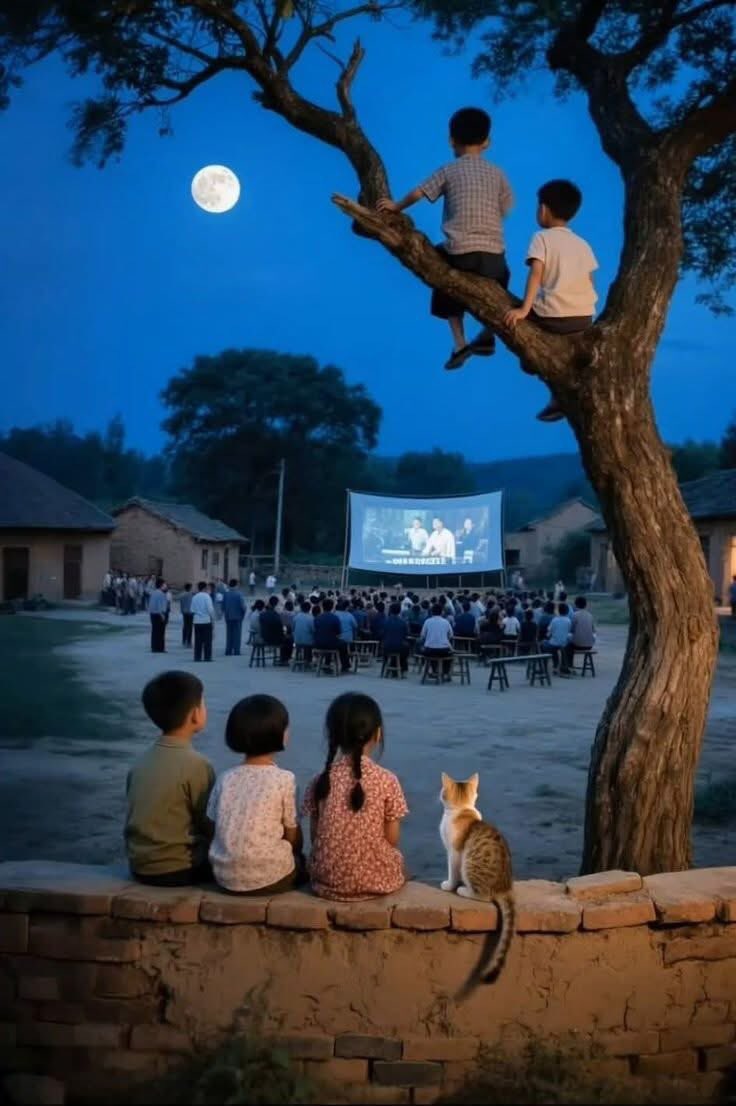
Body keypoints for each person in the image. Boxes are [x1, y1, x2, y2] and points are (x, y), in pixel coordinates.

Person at [376, 106, 512, 370]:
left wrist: (396, 207)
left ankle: (460, 342)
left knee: (440, 274)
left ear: (451, 140)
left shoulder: (449, 170)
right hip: (495, 257)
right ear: (487, 142)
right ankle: (488, 334)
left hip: (461, 253)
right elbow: (507, 206)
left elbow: (419, 192)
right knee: (502, 280)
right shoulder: (498, 174)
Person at [500, 179, 598, 422]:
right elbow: (591, 281)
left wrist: (524, 309)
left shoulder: (542, 238)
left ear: (543, 209)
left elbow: (536, 274)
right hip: (584, 318)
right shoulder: (583, 244)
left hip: (554, 317)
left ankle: (534, 368)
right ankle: (558, 398)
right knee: (564, 357)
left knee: (520, 334)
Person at [302, 693, 408, 901]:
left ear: (333, 736)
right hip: (377, 880)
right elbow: (392, 839)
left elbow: (315, 838)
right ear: (377, 734)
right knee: (401, 864)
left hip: (327, 881)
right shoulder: (387, 780)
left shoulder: (320, 781)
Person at [207, 695, 304, 895]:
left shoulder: (225, 778)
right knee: (302, 862)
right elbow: (292, 833)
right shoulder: (284, 779)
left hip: (224, 876)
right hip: (270, 878)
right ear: (279, 734)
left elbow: (211, 823)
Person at [125, 671, 214, 886]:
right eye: (203, 703)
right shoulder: (198, 765)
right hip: (179, 868)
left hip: (139, 865)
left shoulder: (140, 762)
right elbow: (207, 822)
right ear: (195, 714)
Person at [314, 598, 351, 673]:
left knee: (330, 641)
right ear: (332, 607)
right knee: (342, 644)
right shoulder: (335, 618)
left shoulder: (317, 618)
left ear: (322, 607)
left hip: (318, 643)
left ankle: (327, 664)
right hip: (330, 643)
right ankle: (345, 666)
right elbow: (338, 632)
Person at [420, 603, 454, 679]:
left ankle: (433, 671)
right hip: (443, 650)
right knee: (450, 656)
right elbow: (451, 635)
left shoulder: (427, 621)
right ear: (442, 612)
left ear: (432, 612)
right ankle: (445, 672)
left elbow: (422, 635)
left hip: (429, 650)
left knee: (430, 653)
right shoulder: (446, 622)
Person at [260, 596, 293, 665]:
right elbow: (280, 629)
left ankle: (283, 659)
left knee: (285, 638)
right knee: (289, 639)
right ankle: (284, 660)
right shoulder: (277, 616)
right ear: (276, 604)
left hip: (264, 637)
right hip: (274, 639)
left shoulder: (262, 615)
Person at [542, 601, 573, 675]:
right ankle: (563, 666)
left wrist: (547, 637)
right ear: (567, 611)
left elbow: (549, 632)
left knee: (546, 645)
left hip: (554, 643)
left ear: (558, 611)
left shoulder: (555, 620)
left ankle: (552, 666)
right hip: (564, 643)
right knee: (563, 647)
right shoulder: (568, 621)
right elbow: (569, 632)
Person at [382, 602, 410, 674]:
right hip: (399, 647)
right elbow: (406, 634)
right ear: (399, 611)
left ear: (390, 610)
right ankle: (402, 668)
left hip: (386, 646)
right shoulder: (403, 622)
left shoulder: (386, 621)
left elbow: (382, 633)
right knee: (406, 648)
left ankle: (392, 665)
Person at [191, 581, 215, 662]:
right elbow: (210, 610)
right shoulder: (207, 596)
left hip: (197, 621)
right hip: (206, 621)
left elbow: (192, 610)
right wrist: (213, 619)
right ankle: (207, 657)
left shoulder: (194, 597)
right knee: (207, 640)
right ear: (205, 588)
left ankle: (197, 657)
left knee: (198, 640)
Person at [223, 578, 247, 656]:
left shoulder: (226, 594)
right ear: (236, 585)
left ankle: (228, 650)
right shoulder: (239, 594)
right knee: (237, 634)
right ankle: (236, 650)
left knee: (229, 634)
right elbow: (243, 606)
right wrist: (243, 613)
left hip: (228, 616)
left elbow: (223, 606)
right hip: (237, 617)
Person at [148, 577, 168, 653]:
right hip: (159, 614)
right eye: (165, 584)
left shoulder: (153, 593)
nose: (166, 585)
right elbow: (160, 606)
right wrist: (162, 615)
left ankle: (154, 647)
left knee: (154, 631)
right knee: (161, 632)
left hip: (152, 614)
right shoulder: (161, 594)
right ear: (161, 585)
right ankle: (160, 648)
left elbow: (151, 605)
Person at [293, 600, 315, 665]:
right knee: (312, 640)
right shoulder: (311, 618)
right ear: (310, 608)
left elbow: (293, 628)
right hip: (308, 642)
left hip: (296, 640)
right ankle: (308, 660)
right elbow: (313, 630)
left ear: (301, 608)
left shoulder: (296, 617)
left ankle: (299, 659)